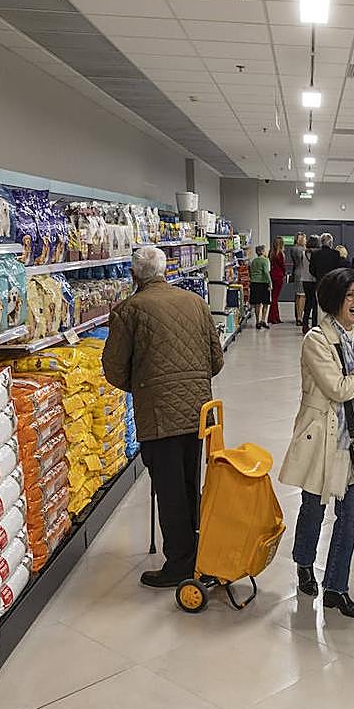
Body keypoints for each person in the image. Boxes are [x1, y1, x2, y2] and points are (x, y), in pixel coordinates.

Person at [102, 246, 224, 588]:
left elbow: (113, 368)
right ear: (165, 270)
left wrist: (143, 385)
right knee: (189, 481)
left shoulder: (129, 310)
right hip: (198, 412)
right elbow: (216, 361)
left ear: (134, 275)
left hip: (159, 414)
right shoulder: (196, 303)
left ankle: (180, 565)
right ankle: (198, 549)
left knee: (169, 490)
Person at [279, 268, 354, 619]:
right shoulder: (316, 340)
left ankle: (336, 588)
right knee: (313, 508)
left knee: (349, 519)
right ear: (334, 300)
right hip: (323, 439)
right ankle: (303, 563)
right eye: (351, 295)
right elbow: (340, 389)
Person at [249, 244, 272, 330]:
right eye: (265, 250)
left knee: (257, 303)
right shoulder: (265, 260)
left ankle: (257, 321)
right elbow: (266, 272)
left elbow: (251, 271)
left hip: (254, 283)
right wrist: (270, 283)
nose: (266, 252)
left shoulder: (254, 261)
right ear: (262, 251)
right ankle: (263, 320)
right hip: (263, 283)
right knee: (265, 303)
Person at [299, 234, 318, 334]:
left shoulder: (303, 253)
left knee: (308, 302)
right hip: (314, 280)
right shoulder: (317, 254)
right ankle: (314, 325)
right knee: (315, 303)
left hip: (305, 279)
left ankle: (305, 324)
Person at [269, 242, 287, 325]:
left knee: (274, 297)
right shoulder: (280, 254)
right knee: (275, 298)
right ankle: (274, 317)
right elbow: (282, 266)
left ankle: (273, 316)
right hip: (279, 276)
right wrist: (284, 273)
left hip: (273, 275)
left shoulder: (271, 253)